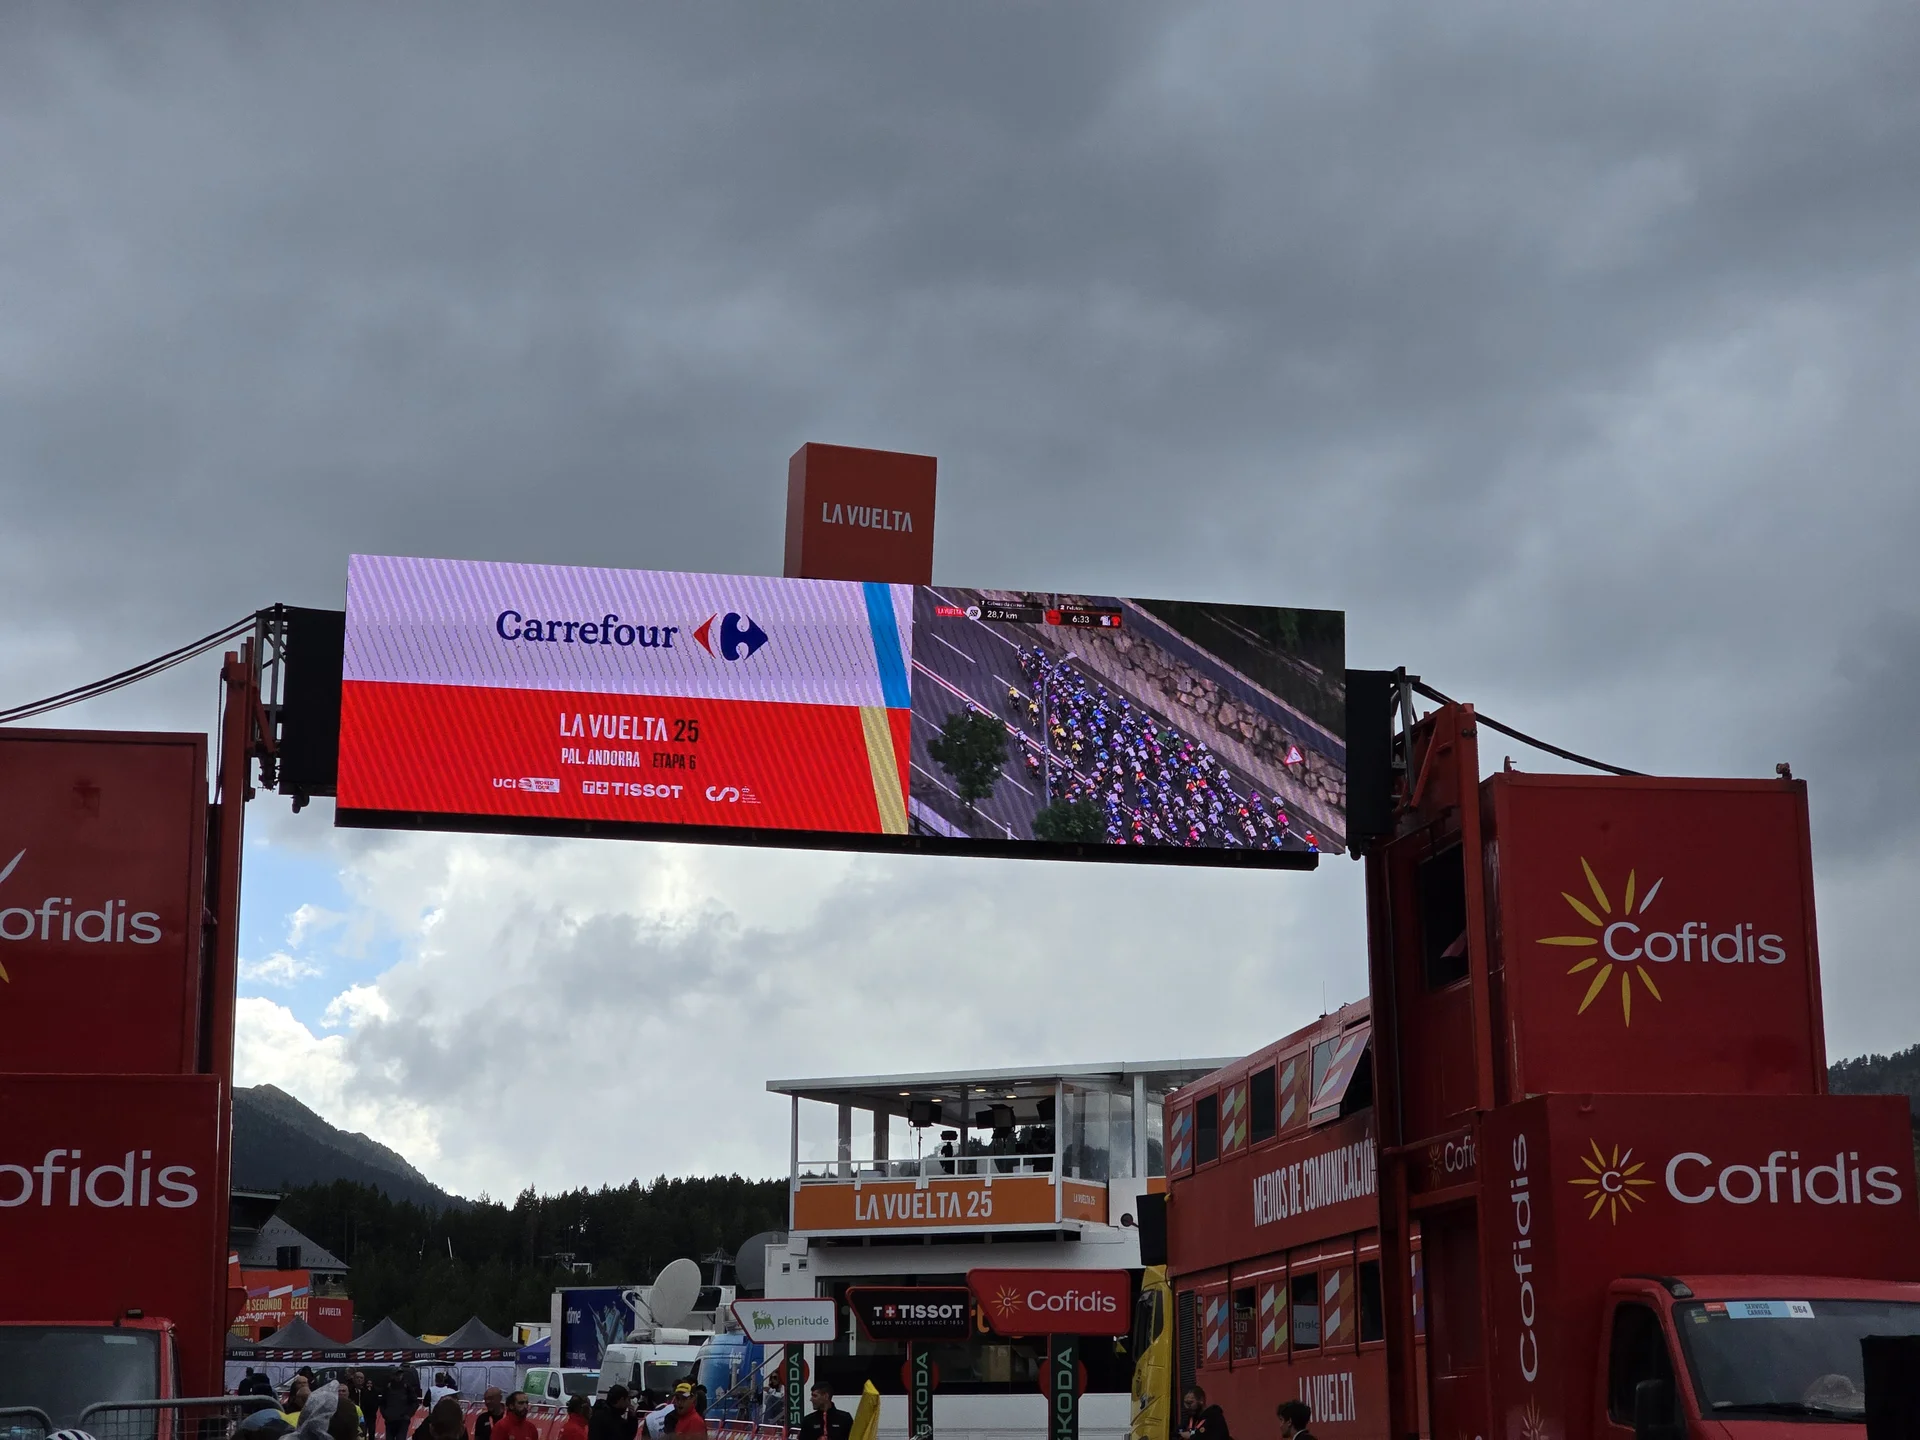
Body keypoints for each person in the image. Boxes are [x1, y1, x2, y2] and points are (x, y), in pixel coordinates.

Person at [380, 1370, 421, 1440]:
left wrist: (408, 1415)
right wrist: (385, 1414)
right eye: (397, 1375)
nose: (398, 1376)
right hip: (390, 1420)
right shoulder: (388, 1387)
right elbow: (382, 1402)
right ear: (394, 1376)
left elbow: (415, 1402)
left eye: (400, 1375)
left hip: (402, 1420)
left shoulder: (407, 1386)